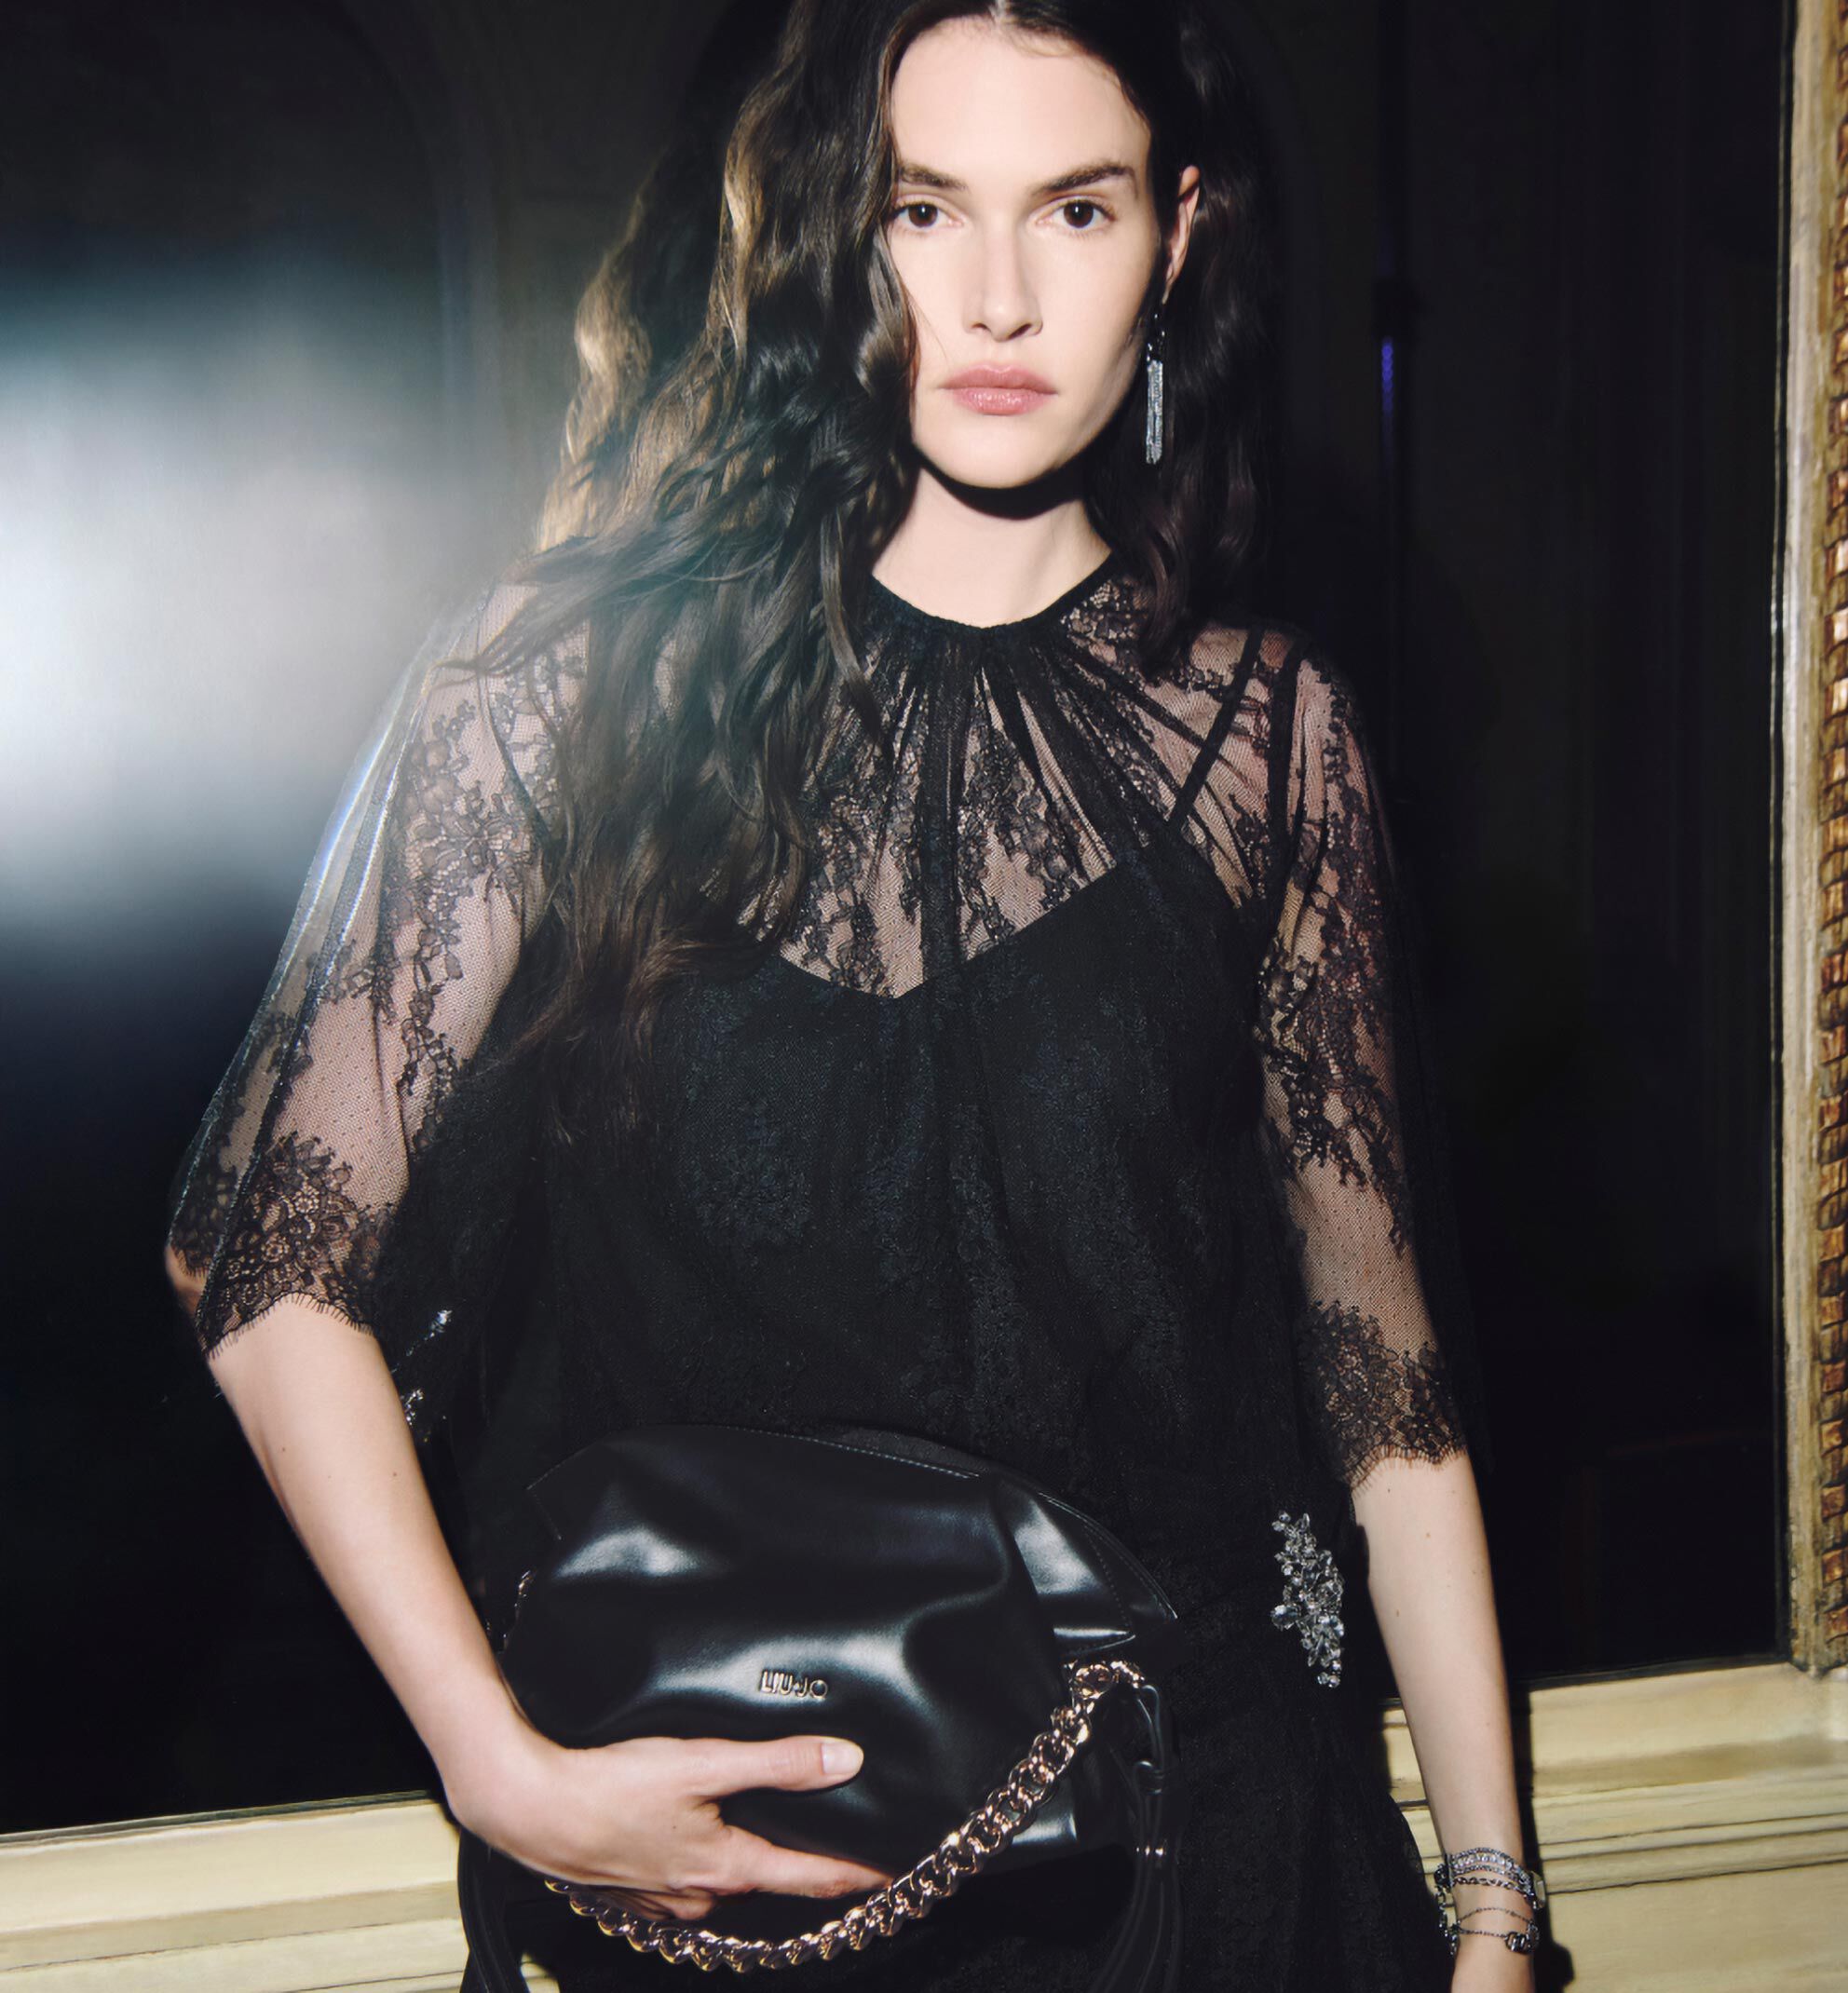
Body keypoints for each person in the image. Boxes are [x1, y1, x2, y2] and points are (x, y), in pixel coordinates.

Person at [165, 1, 1536, 1986]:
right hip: (716, 1887)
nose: (996, 296)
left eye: (1074, 211)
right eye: (924, 210)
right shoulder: (555, 694)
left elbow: (1381, 1385)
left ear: (1180, 238)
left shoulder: (1267, 735)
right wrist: (497, 1763)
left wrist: (1493, 1902)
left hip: (1202, 1855)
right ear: (838, 233)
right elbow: (268, 1262)